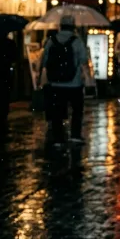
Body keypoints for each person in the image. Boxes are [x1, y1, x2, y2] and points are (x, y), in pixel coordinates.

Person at [40, 16, 89, 145]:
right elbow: (84, 60)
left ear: (60, 26)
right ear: (73, 27)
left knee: (57, 111)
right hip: (74, 82)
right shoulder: (77, 41)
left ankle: (58, 138)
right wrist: (88, 79)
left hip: (55, 82)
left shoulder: (51, 41)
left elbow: (44, 61)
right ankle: (75, 135)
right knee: (77, 110)